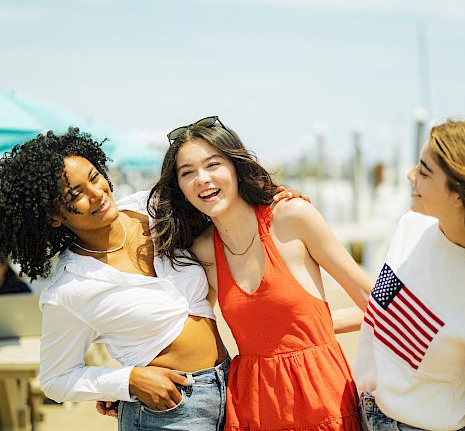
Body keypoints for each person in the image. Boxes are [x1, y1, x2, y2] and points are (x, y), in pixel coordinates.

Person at [0, 127, 302, 431]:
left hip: (233, 387)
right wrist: (128, 381)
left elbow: (223, 205)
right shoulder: (69, 289)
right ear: (53, 217)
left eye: (94, 178)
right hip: (167, 413)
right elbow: (56, 379)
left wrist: (273, 202)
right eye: (75, 195)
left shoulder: (157, 208)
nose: (96, 194)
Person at [147, 116, 374, 430]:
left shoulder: (291, 217)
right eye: (188, 173)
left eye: (213, 164)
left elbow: (372, 300)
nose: (202, 178)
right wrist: (129, 383)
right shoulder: (203, 252)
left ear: (236, 166)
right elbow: (189, 334)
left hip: (322, 397)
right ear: (180, 188)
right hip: (252, 407)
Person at [352, 119, 465, 430]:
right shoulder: (411, 227)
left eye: (424, 171)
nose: (410, 176)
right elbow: (383, 311)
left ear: (460, 194)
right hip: (359, 411)